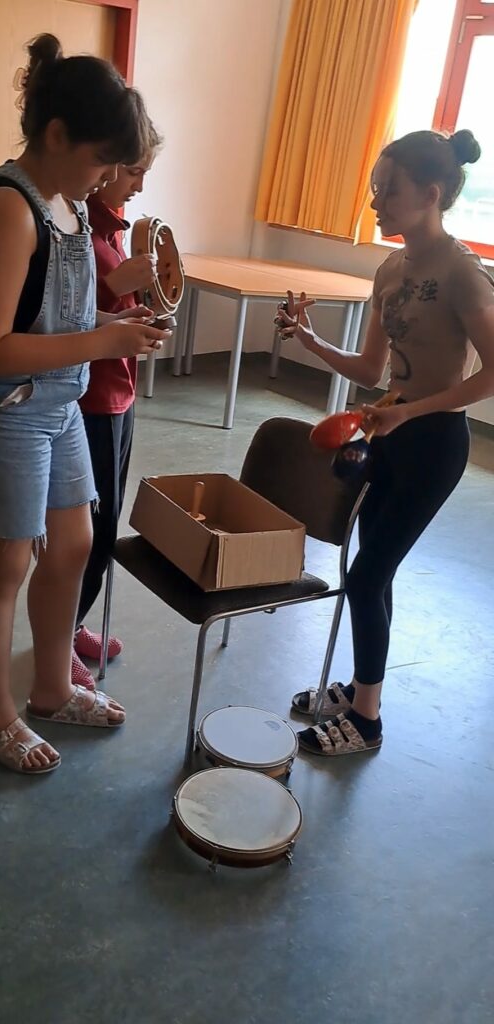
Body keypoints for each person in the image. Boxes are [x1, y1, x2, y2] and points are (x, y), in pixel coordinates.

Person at [0, 34, 171, 775]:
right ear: (58, 135)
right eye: (102, 159)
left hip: (58, 402)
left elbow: (52, 321)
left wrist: (114, 326)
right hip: (1, 408)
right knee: (6, 563)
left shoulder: (68, 206)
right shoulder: (8, 210)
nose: (106, 177)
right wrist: (100, 343)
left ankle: (51, 689)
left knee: (72, 545)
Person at [277, 128, 494, 756]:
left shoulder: (462, 273)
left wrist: (410, 413)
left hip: (433, 444)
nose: (376, 202)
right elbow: (372, 368)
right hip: (388, 434)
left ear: (431, 194)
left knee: (367, 576)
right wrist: (310, 339)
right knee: (372, 568)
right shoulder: (391, 269)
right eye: (375, 189)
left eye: (389, 190)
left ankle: (366, 719)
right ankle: (359, 688)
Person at [70, 119, 164, 688]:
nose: (138, 184)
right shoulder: (76, 225)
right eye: (132, 170)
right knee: (87, 531)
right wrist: (116, 286)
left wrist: (135, 312)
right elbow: (63, 313)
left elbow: (103, 314)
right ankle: (60, 636)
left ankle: (72, 624)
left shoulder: (112, 228)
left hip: (119, 394)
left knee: (103, 526)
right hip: (90, 399)